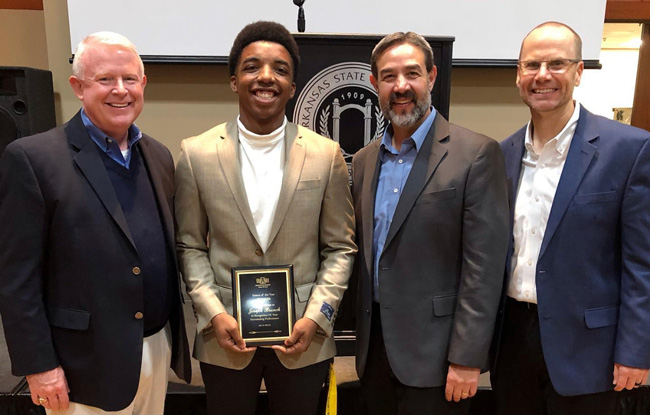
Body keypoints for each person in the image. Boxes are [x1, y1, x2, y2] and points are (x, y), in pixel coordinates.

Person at [0, 32, 191, 414]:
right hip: (80, 366)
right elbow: (16, 278)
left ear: (143, 84)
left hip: (155, 345)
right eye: (105, 79)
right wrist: (39, 366)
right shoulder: (33, 160)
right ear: (78, 87)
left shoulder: (158, 155)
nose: (120, 90)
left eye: (130, 79)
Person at [175, 21, 356, 415]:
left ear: (292, 87)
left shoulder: (327, 156)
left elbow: (340, 248)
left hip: (302, 337)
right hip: (224, 337)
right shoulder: (196, 154)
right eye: (252, 67)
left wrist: (317, 317)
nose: (266, 77)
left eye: (280, 69)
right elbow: (189, 245)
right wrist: (213, 313)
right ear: (234, 81)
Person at [490, 21, 650, 415]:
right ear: (518, 76)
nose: (542, 76)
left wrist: (636, 350)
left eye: (557, 64)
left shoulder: (628, 149)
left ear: (579, 72)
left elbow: (641, 264)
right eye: (532, 65)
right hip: (512, 343)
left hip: (589, 353)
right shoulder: (501, 154)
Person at [351, 31, 509, 415]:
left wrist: (467, 359)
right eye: (388, 76)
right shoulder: (364, 159)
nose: (401, 86)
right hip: (374, 353)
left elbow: (483, 268)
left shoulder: (475, 154)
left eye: (412, 74)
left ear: (432, 77)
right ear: (374, 84)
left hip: (438, 359)